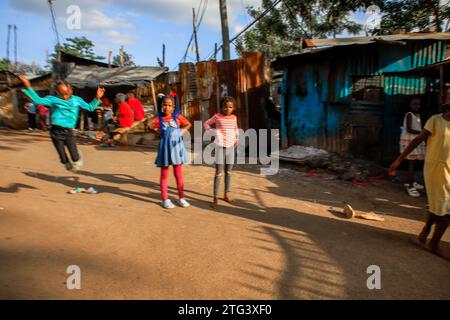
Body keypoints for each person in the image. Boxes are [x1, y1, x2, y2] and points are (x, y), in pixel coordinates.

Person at [389, 101, 450, 261]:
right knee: (446, 210)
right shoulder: (436, 120)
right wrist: (399, 159)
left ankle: (426, 229)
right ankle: (434, 244)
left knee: (439, 204)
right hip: (437, 168)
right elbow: (416, 140)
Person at [19, 75, 105, 172]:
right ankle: (65, 162)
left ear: (71, 89)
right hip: (55, 132)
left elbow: (90, 107)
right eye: (61, 94)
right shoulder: (53, 99)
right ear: (57, 92)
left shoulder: (77, 100)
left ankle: (76, 155)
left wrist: (97, 98)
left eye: (66, 93)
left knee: (75, 159)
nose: (64, 96)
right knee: (63, 159)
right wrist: (28, 85)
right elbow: (38, 100)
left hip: (68, 132)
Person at [148, 95, 191, 209]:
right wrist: (158, 131)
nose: (167, 107)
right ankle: (165, 199)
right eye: (165, 105)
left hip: (177, 148)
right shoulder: (159, 118)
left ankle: (181, 197)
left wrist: (182, 131)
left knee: (178, 174)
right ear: (161, 106)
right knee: (164, 174)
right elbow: (149, 126)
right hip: (165, 149)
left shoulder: (177, 117)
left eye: (169, 105)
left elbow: (188, 124)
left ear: (173, 107)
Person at [204, 96, 239, 208]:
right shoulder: (217, 117)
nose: (227, 109)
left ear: (233, 108)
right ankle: (215, 198)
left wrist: (236, 139)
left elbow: (235, 129)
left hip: (231, 149)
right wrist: (212, 132)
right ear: (222, 107)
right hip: (220, 148)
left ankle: (226, 195)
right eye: (225, 106)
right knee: (218, 173)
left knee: (228, 172)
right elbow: (206, 123)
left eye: (230, 107)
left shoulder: (234, 118)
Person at [400, 97, 426, 197]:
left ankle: (412, 181)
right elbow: (410, 129)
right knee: (411, 163)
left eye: (418, 104)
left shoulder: (418, 115)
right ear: (410, 105)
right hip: (410, 140)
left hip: (416, 140)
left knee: (414, 162)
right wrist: (423, 132)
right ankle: (410, 186)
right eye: (414, 104)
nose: (416, 106)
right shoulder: (409, 115)